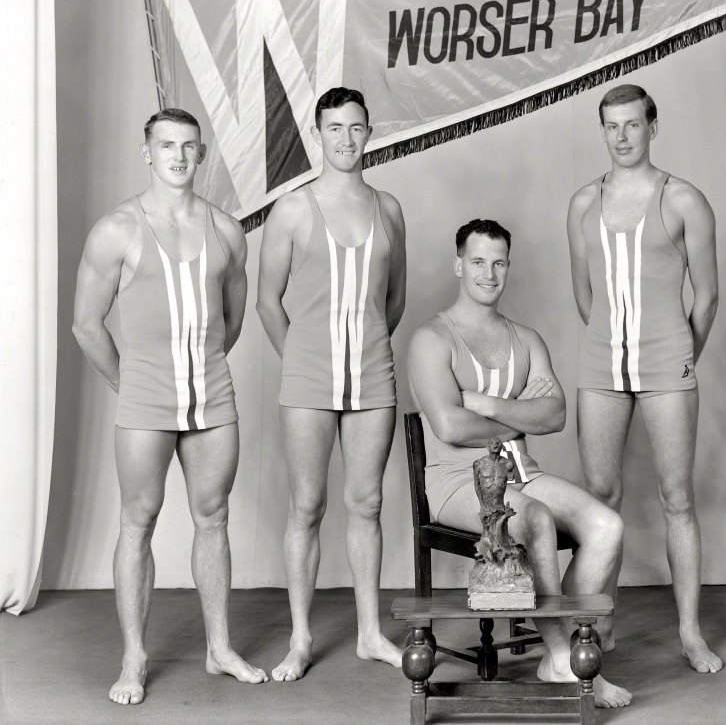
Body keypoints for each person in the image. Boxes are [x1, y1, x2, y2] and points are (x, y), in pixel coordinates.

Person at [73, 108, 266, 705]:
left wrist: (197, 368)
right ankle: (133, 657)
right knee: (139, 521)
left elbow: (231, 320)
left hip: (212, 392)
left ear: (202, 154)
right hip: (145, 397)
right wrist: (131, 383)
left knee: (213, 518)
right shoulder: (117, 230)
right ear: (147, 152)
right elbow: (85, 326)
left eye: (188, 146)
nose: (178, 157)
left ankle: (220, 647)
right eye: (166, 145)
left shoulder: (227, 230)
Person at [408, 218, 632, 709]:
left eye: (499, 262)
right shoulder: (431, 339)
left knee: (606, 525)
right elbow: (449, 427)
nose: (489, 273)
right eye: (478, 261)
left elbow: (553, 414)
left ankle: (563, 636)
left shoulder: (525, 339)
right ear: (458, 264)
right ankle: (560, 656)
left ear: (509, 266)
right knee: (534, 518)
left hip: (522, 471)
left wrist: (485, 406)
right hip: (455, 481)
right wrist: (516, 417)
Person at [566, 84, 721, 671]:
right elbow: (584, 295)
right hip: (601, 364)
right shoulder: (583, 203)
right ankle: (600, 622)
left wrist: (679, 355)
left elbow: (706, 298)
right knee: (601, 499)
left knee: (677, 499)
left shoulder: (683, 199)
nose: (622, 136)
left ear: (653, 127)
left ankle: (690, 632)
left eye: (633, 124)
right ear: (603, 130)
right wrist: (615, 344)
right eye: (612, 126)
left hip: (667, 363)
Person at [257, 87, 407, 679]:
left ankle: (369, 633)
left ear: (370, 133)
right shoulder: (292, 210)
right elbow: (268, 302)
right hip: (308, 379)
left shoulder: (389, 208)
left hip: (372, 377)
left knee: (366, 503)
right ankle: (299, 639)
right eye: (335, 128)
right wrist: (302, 358)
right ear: (318, 134)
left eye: (356, 128)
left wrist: (365, 348)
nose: (346, 139)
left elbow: (395, 301)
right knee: (308, 506)